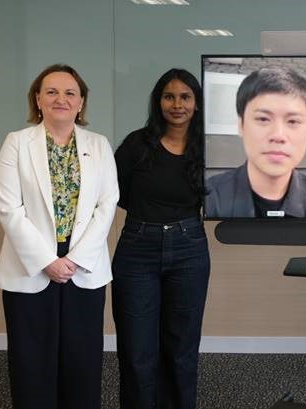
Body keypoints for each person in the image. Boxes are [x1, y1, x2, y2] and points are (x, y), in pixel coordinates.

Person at [0, 64, 119, 409]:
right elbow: (9, 208)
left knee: (82, 360)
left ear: (81, 102)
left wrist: (75, 259)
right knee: (31, 360)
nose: (61, 99)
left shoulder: (99, 144)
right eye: (51, 92)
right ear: (38, 99)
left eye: (70, 92)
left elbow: (107, 204)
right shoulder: (17, 143)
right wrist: (47, 260)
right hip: (29, 265)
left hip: (83, 265)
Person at [112, 68, 210, 409]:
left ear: (197, 103)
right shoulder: (136, 144)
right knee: (137, 350)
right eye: (169, 97)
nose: (177, 104)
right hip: (137, 248)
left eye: (185, 97)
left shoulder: (208, 147)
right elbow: (115, 193)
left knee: (182, 348)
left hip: (189, 249)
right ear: (158, 102)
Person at [205, 66, 306, 218]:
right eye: (263, 119)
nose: (278, 135)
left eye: (292, 121)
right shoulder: (208, 200)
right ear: (241, 126)